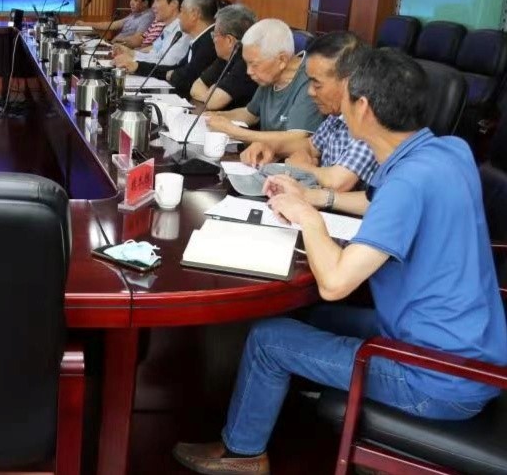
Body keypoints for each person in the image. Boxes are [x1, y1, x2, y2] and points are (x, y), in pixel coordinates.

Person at [172, 47, 507, 475]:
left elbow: (334, 282)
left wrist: (307, 217)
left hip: (434, 378)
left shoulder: (408, 182)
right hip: (468, 353)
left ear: (363, 107)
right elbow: (381, 203)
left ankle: (242, 454)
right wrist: (310, 195)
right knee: (311, 316)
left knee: (269, 338)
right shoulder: (449, 151)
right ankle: (295, 402)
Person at [241, 32, 378, 191]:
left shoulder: (369, 118)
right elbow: (311, 145)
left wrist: (303, 167)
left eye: (317, 85)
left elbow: (337, 181)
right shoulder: (336, 115)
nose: (310, 92)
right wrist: (270, 147)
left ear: (348, 82)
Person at [205, 18, 322, 144]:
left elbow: (296, 138)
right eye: (247, 64)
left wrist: (234, 132)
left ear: (282, 60)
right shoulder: (270, 77)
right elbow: (250, 114)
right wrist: (215, 116)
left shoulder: (311, 79)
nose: (249, 71)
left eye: (254, 64)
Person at [112, 0, 191, 75]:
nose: (153, 6)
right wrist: (130, 53)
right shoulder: (167, 28)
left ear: (173, 4)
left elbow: (167, 65)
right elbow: (154, 54)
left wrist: (134, 62)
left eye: (157, 0)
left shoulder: (182, 31)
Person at [188, 4, 258, 110]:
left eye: (215, 35)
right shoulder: (224, 58)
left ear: (229, 40)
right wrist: (210, 94)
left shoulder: (245, 63)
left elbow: (213, 103)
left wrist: (211, 94)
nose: (213, 40)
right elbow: (196, 87)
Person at [161, 0, 219, 98]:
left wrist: (174, 74)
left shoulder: (211, 43)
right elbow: (177, 69)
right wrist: (138, 66)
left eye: (182, 11)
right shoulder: (199, 40)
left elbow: (186, 78)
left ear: (194, 14)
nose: (179, 17)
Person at [77, 0, 154, 49]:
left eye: (135, 0)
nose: (131, 3)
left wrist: (118, 40)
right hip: (114, 46)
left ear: (145, 3)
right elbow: (112, 25)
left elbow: (137, 40)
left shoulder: (147, 17)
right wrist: (85, 24)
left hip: (124, 51)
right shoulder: (134, 15)